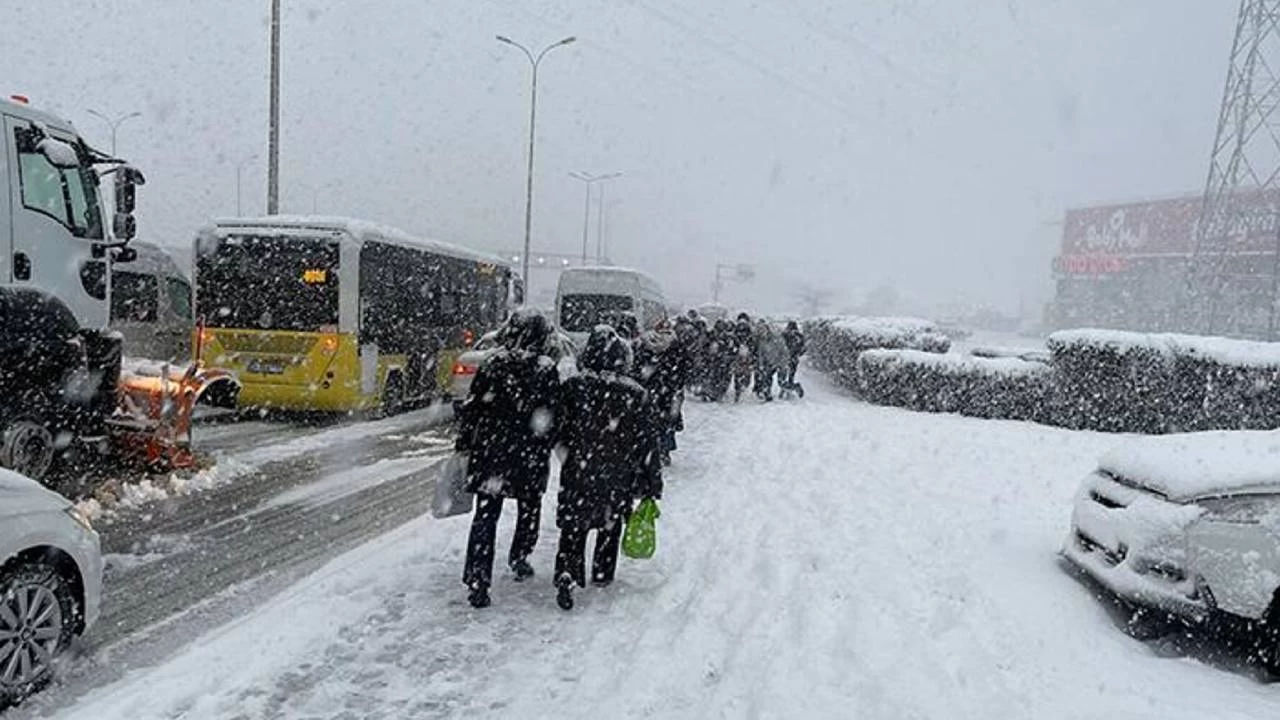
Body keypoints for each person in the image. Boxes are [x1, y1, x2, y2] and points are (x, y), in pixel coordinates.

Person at [456, 311, 561, 609]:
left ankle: (478, 576)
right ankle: (520, 555)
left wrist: (465, 442)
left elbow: (473, 407)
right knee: (529, 506)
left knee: (486, 515)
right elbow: (553, 415)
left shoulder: (492, 364)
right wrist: (545, 440)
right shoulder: (545, 369)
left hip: (491, 452)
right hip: (528, 454)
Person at [553, 325, 663, 610]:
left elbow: (557, 427)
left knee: (573, 527)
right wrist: (652, 482)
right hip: (617, 472)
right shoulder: (635, 393)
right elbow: (648, 443)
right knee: (609, 523)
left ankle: (568, 571)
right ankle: (601, 572)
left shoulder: (574, 387)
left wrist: (566, 450)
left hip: (578, 468)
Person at [755, 320, 789, 401]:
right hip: (770, 363)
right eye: (759, 330)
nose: (761, 332)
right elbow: (761, 354)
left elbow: (784, 352)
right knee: (766, 378)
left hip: (780, 363)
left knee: (781, 382)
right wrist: (761, 364)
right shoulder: (762, 341)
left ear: (767, 329)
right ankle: (768, 395)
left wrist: (782, 364)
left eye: (762, 330)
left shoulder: (777, 338)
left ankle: (795, 388)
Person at [730, 313, 757, 402]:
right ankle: (739, 391)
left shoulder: (744, 330)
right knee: (741, 374)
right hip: (741, 355)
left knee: (741, 374)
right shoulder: (739, 330)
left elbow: (753, 342)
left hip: (743, 355)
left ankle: (740, 390)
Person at [782, 320, 806, 396]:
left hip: (785, 358)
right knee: (791, 376)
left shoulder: (784, 334)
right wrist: (798, 354)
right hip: (794, 359)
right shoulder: (800, 336)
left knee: (783, 377)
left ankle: (787, 389)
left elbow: (781, 346)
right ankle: (791, 388)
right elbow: (804, 349)